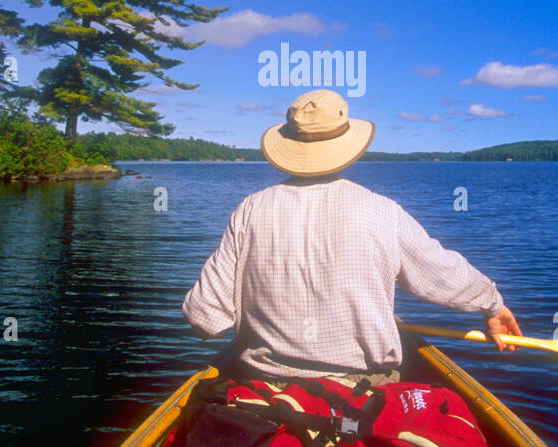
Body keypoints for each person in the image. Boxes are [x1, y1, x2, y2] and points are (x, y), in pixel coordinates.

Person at [182, 88, 522, 386]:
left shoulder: (250, 210)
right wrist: (490, 302)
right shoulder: (382, 211)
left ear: (288, 143)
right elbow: (441, 272)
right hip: (363, 390)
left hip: (263, 386)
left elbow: (203, 316)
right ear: (347, 145)